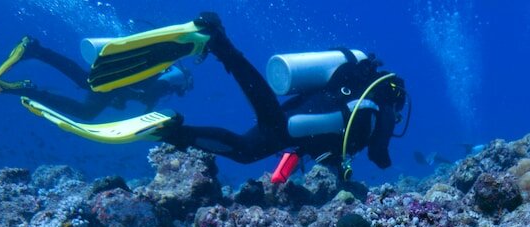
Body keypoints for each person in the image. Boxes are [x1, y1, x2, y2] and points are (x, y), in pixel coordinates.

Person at [157, 12, 409, 180]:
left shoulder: (358, 95)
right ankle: (219, 41)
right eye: (399, 112)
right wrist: (392, 169)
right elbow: (379, 155)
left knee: (248, 146)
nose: (397, 117)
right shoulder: (382, 107)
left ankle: (174, 130)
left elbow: (327, 141)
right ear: (396, 98)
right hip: (292, 126)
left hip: (295, 119)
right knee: (250, 144)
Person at [0, 36, 192, 121]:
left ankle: (30, 71)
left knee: (86, 98)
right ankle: (33, 59)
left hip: (115, 81)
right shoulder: (172, 79)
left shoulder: (167, 73)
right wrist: (146, 111)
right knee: (86, 92)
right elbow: (147, 92)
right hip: (116, 82)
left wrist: (124, 100)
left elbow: (137, 89)